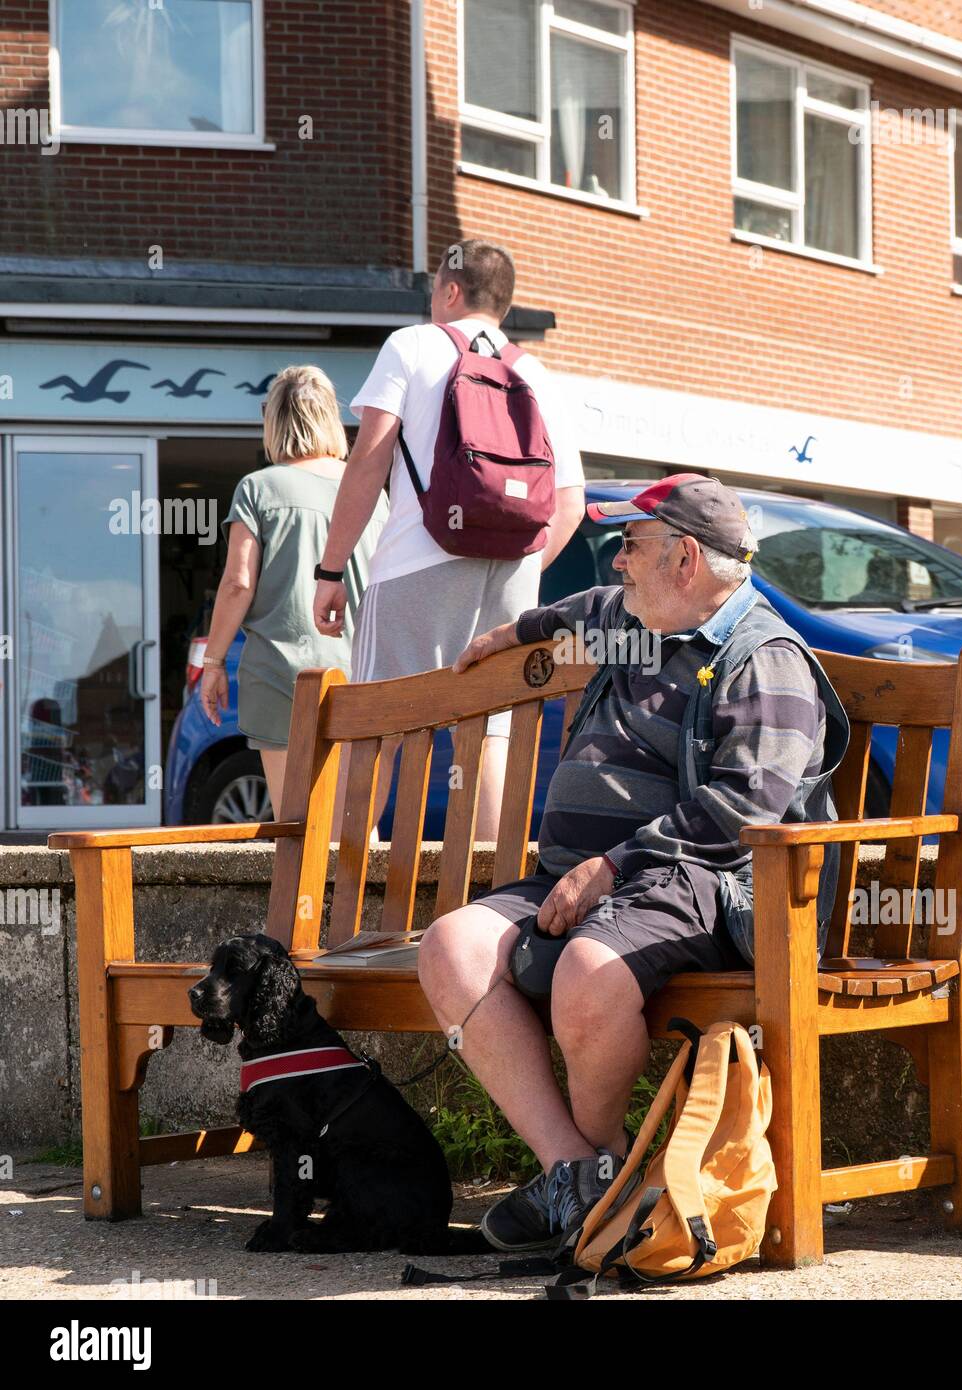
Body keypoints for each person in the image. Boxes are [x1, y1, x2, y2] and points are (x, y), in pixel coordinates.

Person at [418, 474, 846, 1253]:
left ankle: (592, 1186)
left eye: (630, 547)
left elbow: (745, 810)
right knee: (451, 946)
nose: (615, 562)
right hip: (577, 879)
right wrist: (513, 635)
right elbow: (576, 610)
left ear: (685, 560)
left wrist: (611, 867)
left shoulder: (764, 659)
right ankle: (582, 1175)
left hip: (698, 882)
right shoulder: (637, 619)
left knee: (589, 973)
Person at [312, 239, 585, 842]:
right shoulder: (534, 372)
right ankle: (482, 900)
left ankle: (338, 890)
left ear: (451, 291)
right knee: (488, 732)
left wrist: (331, 571)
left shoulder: (411, 345)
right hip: (511, 576)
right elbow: (570, 502)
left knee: (375, 728)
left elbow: (367, 461)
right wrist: (525, 569)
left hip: (416, 561)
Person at [201, 366, 387, 825]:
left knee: (297, 826)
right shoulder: (371, 493)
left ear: (275, 420)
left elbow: (238, 582)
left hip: (281, 673)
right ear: (329, 418)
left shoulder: (259, 488)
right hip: (360, 670)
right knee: (356, 826)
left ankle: (305, 900)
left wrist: (212, 662)